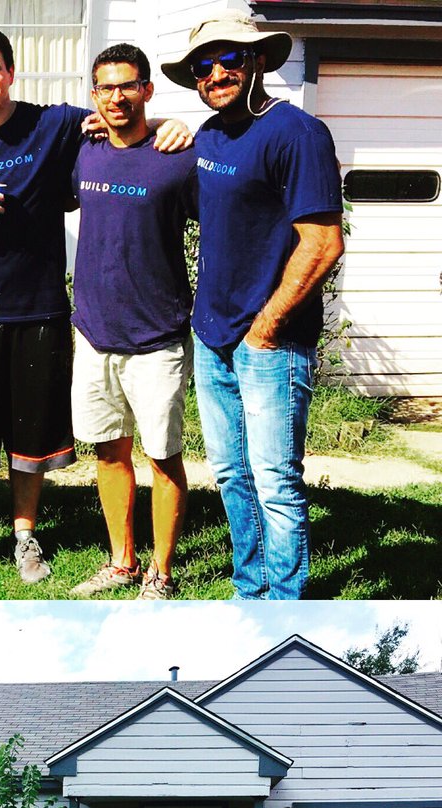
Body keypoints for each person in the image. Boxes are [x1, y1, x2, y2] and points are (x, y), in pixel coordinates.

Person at [0, 27, 191, 584]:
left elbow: (122, 122)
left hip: (39, 309)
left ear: (11, 73)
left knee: (30, 436)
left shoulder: (52, 124)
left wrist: (170, 124)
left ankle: (24, 534)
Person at [162, 12, 344, 599]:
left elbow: (322, 243)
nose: (216, 72)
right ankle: (251, 591)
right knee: (233, 478)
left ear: (259, 61)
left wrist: (265, 328)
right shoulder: (210, 135)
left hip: (270, 342)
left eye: (230, 58)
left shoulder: (297, 134)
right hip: (212, 336)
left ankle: (285, 605)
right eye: (203, 64)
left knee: (274, 482)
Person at [69, 44, 198, 600]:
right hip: (94, 332)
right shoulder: (84, 150)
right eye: (105, 87)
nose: (117, 96)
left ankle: (161, 573)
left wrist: (182, 126)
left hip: (157, 335)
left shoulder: (179, 154)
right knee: (107, 450)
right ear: (93, 94)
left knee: (162, 456)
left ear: (147, 89)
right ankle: (122, 560)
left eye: (128, 85)